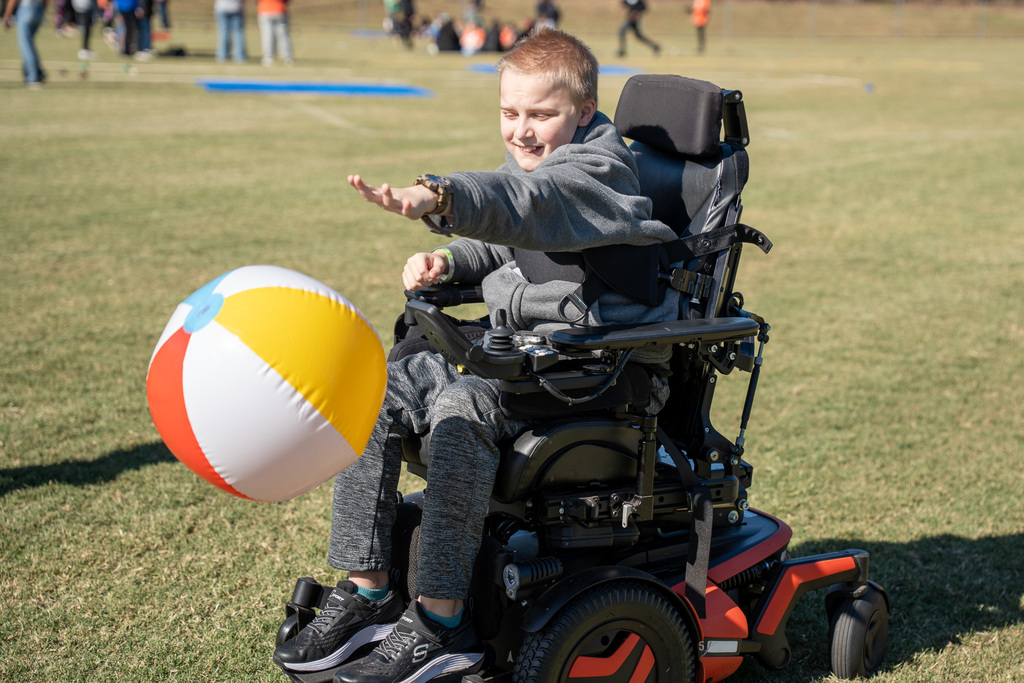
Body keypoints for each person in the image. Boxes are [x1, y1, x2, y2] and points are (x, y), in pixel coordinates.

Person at [272, 27, 686, 683]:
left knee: (462, 405)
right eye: (510, 113)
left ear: (582, 111)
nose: (521, 131)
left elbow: (526, 207)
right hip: (527, 361)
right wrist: (448, 258)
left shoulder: (597, 173)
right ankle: (371, 592)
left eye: (541, 115)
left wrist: (439, 196)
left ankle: (442, 623)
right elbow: (506, 241)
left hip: (593, 374)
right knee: (374, 387)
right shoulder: (541, 159)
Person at [4, 0, 47, 87]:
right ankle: (37, 72)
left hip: (26, 9)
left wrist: (7, 16)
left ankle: (33, 77)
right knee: (29, 43)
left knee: (25, 45)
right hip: (39, 10)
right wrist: (43, 11)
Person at [257, 0, 291, 65]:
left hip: (265, 10)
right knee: (283, 36)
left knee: (267, 36)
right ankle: (287, 57)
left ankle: (268, 57)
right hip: (280, 10)